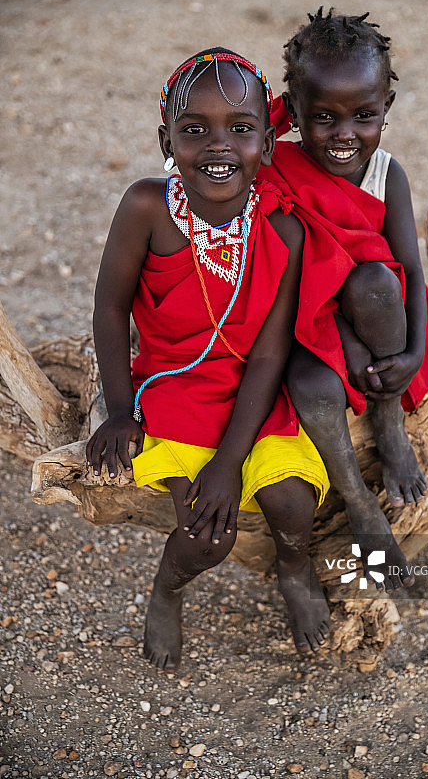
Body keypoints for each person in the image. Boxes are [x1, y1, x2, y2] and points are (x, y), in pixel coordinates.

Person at [86, 48, 331, 670]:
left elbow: (272, 350)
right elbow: (111, 309)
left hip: (256, 390)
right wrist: (118, 411)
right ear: (164, 137)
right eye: (194, 130)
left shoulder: (283, 231)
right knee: (205, 536)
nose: (218, 146)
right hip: (175, 389)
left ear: (269, 141)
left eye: (241, 129)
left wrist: (229, 462)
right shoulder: (147, 208)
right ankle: (166, 592)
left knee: (292, 506)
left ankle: (295, 570)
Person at [258, 9, 428, 589]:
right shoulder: (275, 167)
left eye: (364, 116)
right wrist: (340, 345)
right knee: (313, 388)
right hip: (302, 323)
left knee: (376, 280)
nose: (345, 134)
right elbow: (280, 285)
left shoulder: (386, 175)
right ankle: (361, 507)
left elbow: (411, 272)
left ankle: (389, 425)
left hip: (376, 317)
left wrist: (413, 355)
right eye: (323, 117)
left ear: (386, 109)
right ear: (293, 112)